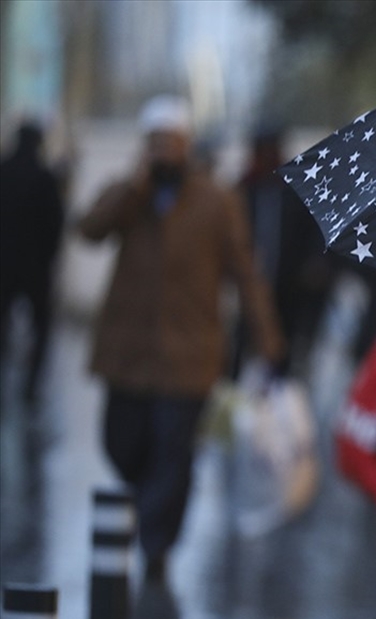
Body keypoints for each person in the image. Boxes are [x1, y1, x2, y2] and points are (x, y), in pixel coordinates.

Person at [77, 95, 284, 583]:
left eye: (171, 142)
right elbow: (89, 229)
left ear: (187, 145)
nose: (163, 151)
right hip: (128, 355)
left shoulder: (217, 201)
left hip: (190, 357)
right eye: (155, 142)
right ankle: (146, 508)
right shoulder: (131, 194)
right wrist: (135, 188)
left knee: (174, 455)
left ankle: (157, 545)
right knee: (121, 443)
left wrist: (268, 341)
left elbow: (246, 273)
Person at [234, 126, 331, 378]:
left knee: (284, 353)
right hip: (249, 287)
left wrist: (312, 264)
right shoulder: (242, 191)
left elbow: (314, 233)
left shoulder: (296, 190)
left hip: (289, 286)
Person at [0, 121, 66, 408]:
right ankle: (30, 389)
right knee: (42, 329)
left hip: (4, 267)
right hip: (35, 269)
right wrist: (48, 260)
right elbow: (56, 224)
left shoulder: (3, 172)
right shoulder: (45, 177)